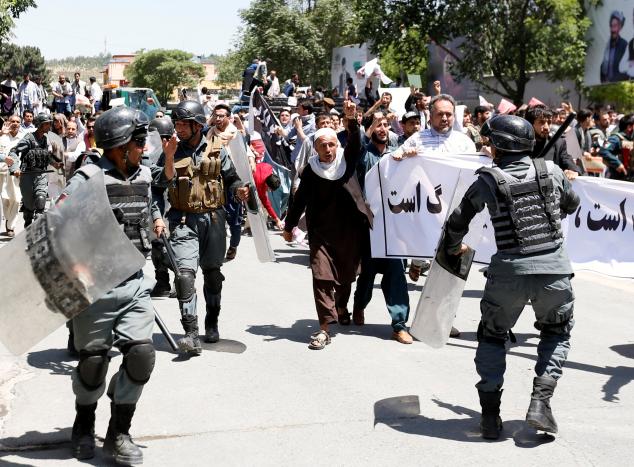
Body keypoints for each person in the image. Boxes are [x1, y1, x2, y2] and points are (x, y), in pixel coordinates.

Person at [442, 115, 579, 439]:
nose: (488, 146)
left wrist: (451, 249)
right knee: (556, 333)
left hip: (507, 275)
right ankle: (540, 403)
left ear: (502, 146)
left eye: (491, 142)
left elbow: (458, 221)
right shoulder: (552, 171)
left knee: (492, 336)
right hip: (553, 273)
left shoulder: (488, 181)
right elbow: (571, 205)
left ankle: (490, 417)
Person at [60, 106, 165, 464]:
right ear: (120, 146)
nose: (144, 147)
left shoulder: (145, 174)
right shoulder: (87, 178)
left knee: (140, 355)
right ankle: (84, 423)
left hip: (134, 281)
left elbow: (148, 205)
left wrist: (156, 219)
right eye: (139, 141)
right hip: (96, 286)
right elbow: (57, 225)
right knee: (93, 364)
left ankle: (120, 431)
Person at [152, 100, 249, 353]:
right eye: (177, 124)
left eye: (184, 124)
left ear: (197, 126)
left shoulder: (217, 149)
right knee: (184, 276)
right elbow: (157, 187)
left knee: (213, 276)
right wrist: (157, 217)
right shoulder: (169, 151)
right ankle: (191, 334)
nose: (179, 129)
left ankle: (212, 322)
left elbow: (231, 178)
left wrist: (239, 190)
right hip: (183, 221)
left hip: (214, 221)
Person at [283, 101, 372, 349]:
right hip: (322, 232)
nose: (328, 149)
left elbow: (356, 141)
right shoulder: (310, 171)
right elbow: (298, 201)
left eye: (332, 144)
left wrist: (351, 118)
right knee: (321, 277)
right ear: (316, 148)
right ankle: (324, 328)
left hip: (350, 230)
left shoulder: (348, 159)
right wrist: (289, 227)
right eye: (323, 145)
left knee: (346, 277)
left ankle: (342, 305)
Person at [353, 112, 413, 343]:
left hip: (395, 225)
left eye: (386, 125)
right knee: (367, 275)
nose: (383, 128)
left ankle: (399, 324)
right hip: (370, 226)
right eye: (378, 124)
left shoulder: (397, 154)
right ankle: (359, 306)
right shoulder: (363, 154)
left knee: (396, 274)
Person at [8, 113, 62, 227]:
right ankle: (28, 226)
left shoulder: (45, 139)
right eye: (46, 124)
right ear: (40, 125)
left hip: (41, 174)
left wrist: (55, 164)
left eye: (49, 124)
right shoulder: (29, 138)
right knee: (29, 207)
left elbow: (44, 155)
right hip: (27, 175)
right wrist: (15, 168)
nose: (49, 126)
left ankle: (37, 231)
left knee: (41, 200)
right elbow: (13, 151)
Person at [526, 106, 582, 180]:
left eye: (549, 122)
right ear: (530, 124)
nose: (546, 127)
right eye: (541, 122)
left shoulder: (559, 143)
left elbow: (567, 161)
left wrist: (572, 171)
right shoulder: (521, 144)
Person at [0, 114, 24, 237]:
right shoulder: (2, 136)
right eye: (12, 121)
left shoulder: (23, 137)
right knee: (5, 199)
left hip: (16, 173)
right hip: (2, 173)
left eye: (17, 121)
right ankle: (8, 221)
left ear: (20, 124)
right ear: (8, 122)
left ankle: (11, 226)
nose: (15, 123)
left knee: (16, 199)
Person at [599, 113, 634, 180]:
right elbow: (603, 150)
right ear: (629, 127)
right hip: (617, 178)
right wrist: (618, 164)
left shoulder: (629, 139)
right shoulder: (615, 138)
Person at [600, 10, 629, 83]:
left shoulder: (624, 45)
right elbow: (603, 66)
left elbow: (626, 70)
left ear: (620, 27)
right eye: (611, 26)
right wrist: (603, 81)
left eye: (615, 26)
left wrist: (612, 81)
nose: (613, 29)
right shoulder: (607, 45)